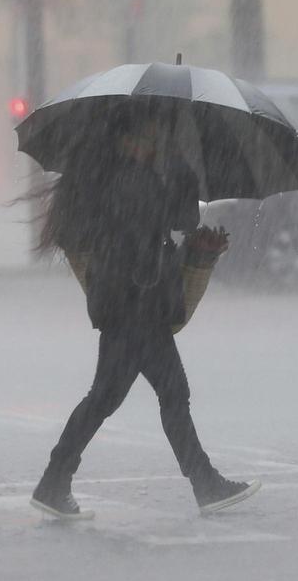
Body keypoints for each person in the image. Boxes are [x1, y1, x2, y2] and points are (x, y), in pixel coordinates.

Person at [30, 104, 261, 519]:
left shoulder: (119, 179)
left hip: (128, 306)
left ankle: (55, 480)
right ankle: (204, 483)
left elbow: (171, 223)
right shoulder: (133, 181)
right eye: (147, 138)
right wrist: (176, 167)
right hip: (136, 307)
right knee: (163, 395)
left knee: (112, 398)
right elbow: (178, 217)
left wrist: (171, 168)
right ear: (125, 141)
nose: (151, 144)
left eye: (155, 138)